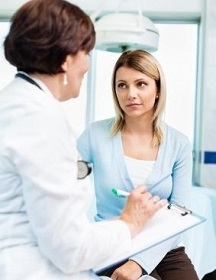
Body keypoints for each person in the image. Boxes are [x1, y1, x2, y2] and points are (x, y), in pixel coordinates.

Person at [0, 2, 166, 280]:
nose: (88, 65)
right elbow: (70, 248)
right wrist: (129, 222)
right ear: (66, 59)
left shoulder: (13, 102)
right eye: (86, 53)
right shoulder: (40, 119)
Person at [77, 49, 199, 280]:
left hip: (165, 247)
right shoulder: (94, 135)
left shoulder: (179, 144)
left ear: (158, 90)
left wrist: (139, 264)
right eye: (122, 85)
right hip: (113, 243)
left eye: (140, 84)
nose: (130, 93)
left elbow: (179, 214)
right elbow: (66, 181)